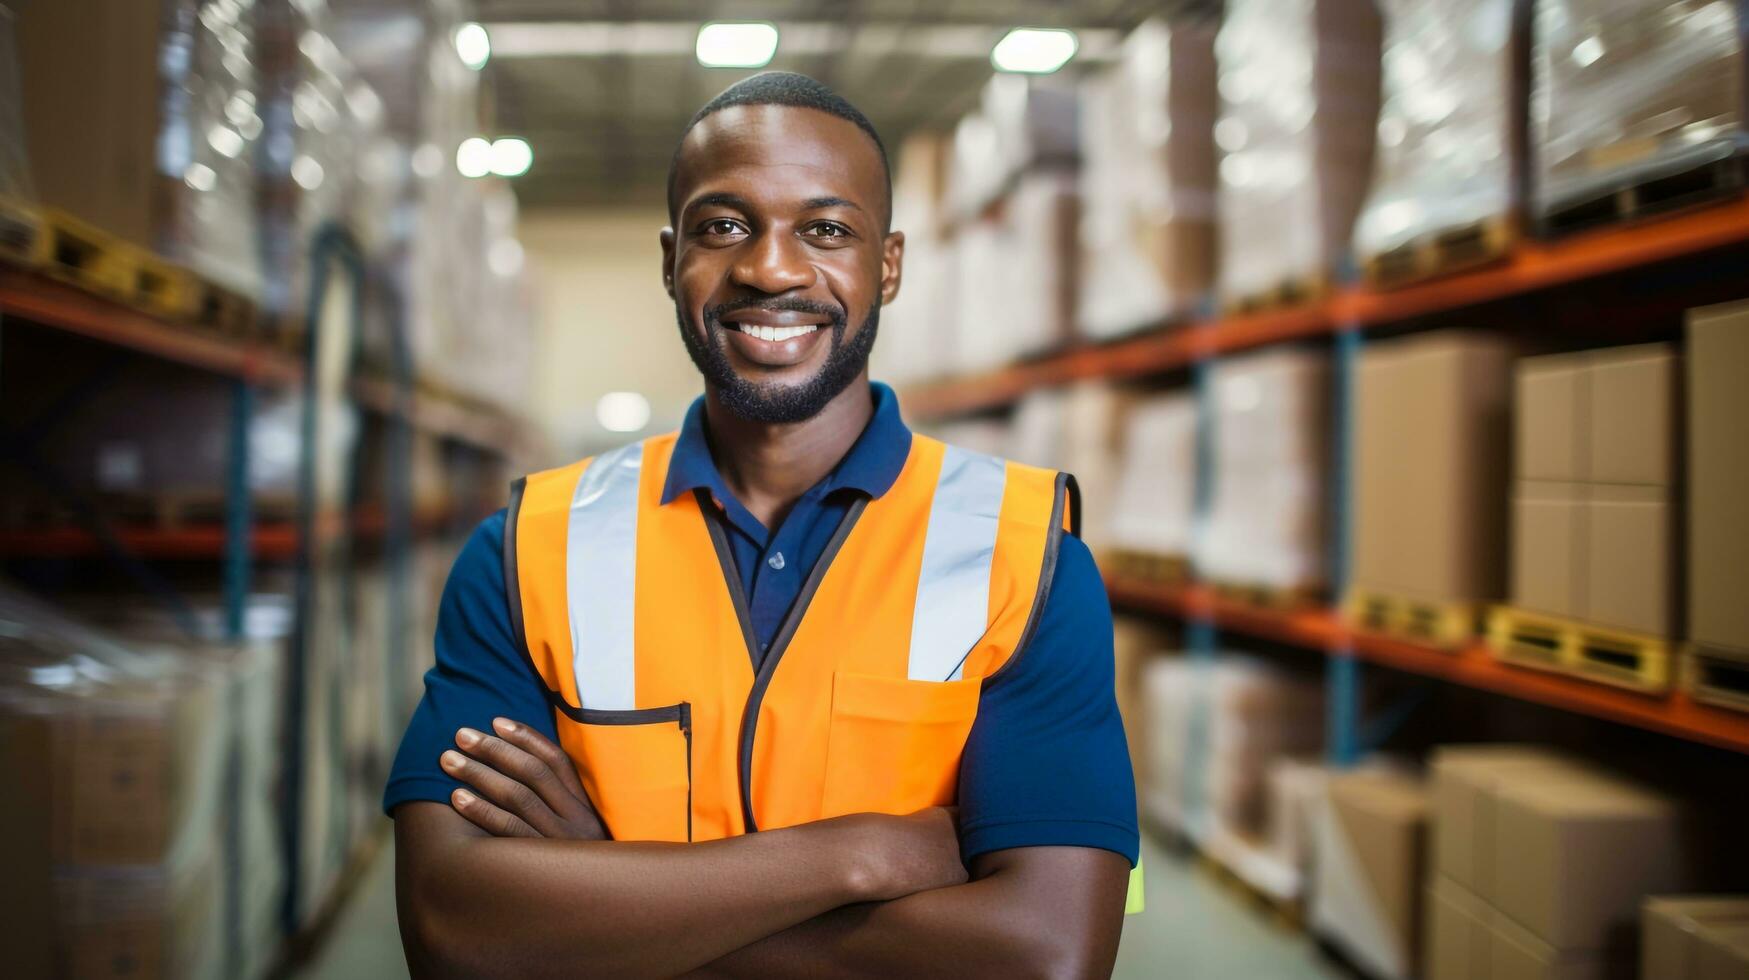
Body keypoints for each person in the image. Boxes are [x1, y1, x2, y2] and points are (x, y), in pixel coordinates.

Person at [387, 71, 1139, 979]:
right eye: (723, 225)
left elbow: (1046, 956)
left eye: (824, 229)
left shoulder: (1024, 558)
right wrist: (855, 856)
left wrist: (616, 895)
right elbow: (455, 932)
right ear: (670, 260)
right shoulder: (524, 551)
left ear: (887, 265)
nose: (770, 268)